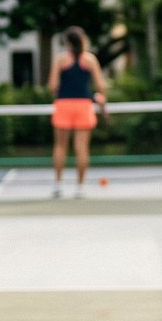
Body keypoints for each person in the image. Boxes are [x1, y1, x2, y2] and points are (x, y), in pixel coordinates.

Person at [47, 27, 105, 199]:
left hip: (64, 105)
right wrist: (97, 96)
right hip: (83, 106)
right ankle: (80, 188)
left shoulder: (60, 60)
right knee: (82, 148)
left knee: (60, 146)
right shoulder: (90, 60)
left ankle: (58, 185)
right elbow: (101, 85)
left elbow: (52, 86)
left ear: (67, 43)